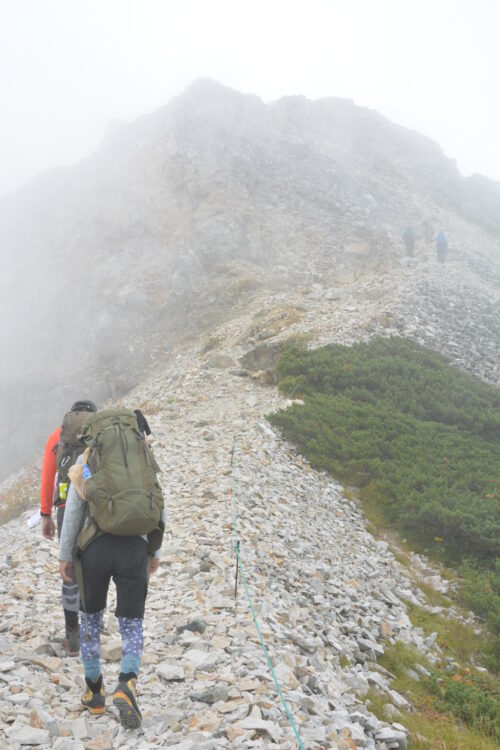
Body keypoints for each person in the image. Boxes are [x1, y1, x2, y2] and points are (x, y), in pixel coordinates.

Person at [58, 408, 164, 729]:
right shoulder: (142, 457)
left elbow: (75, 510)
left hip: (95, 549)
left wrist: (65, 555)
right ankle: (127, 684)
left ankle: (94, 692)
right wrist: (154, 549)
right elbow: (157, 502)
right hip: (134, 546)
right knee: (132, 623)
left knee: (91, 621)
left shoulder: (87, 459)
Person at [40, 399, 98, 656]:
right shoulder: (101, 433)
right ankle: (91, 631)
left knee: (70, 571)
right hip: (97, 510)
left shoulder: (59, 435)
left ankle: (72, 636)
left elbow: (47, 475)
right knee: (95, 568)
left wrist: (45, 514)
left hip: (65, 509)